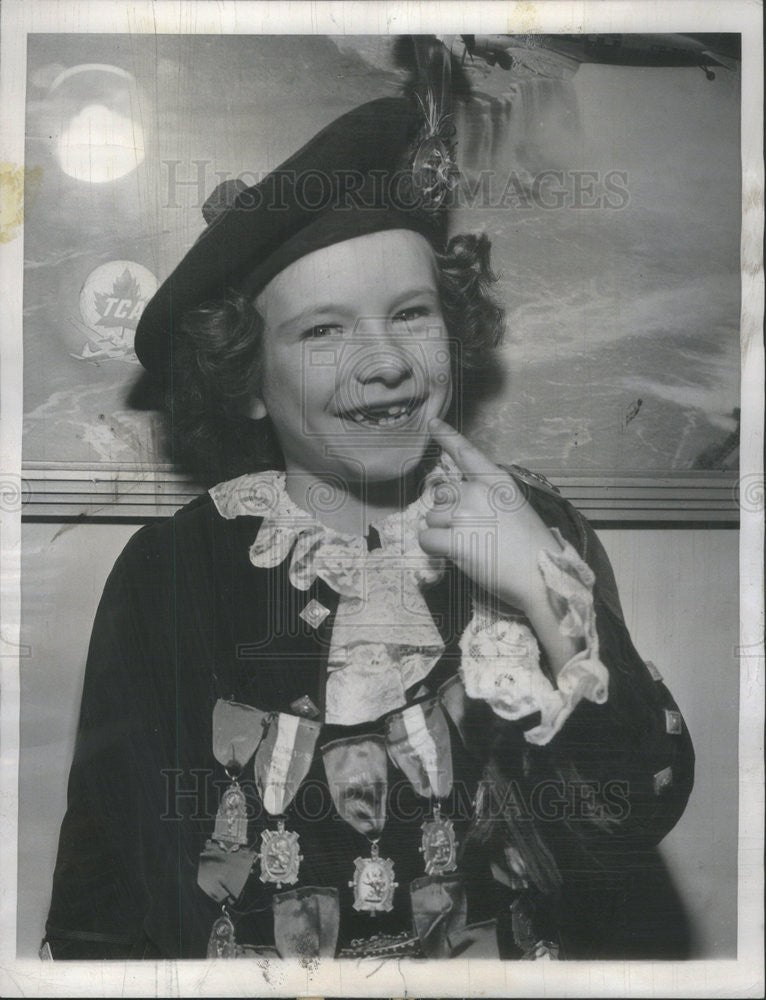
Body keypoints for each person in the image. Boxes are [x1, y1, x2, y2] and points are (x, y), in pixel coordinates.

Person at [43, 96, 694, 961]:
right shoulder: (175, 569)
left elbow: (630, 815)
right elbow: (111, 887)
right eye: (323, 330)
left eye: (412, 313)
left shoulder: (537, 525)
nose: (385, 360)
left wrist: (545, 587)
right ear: (244, 375)